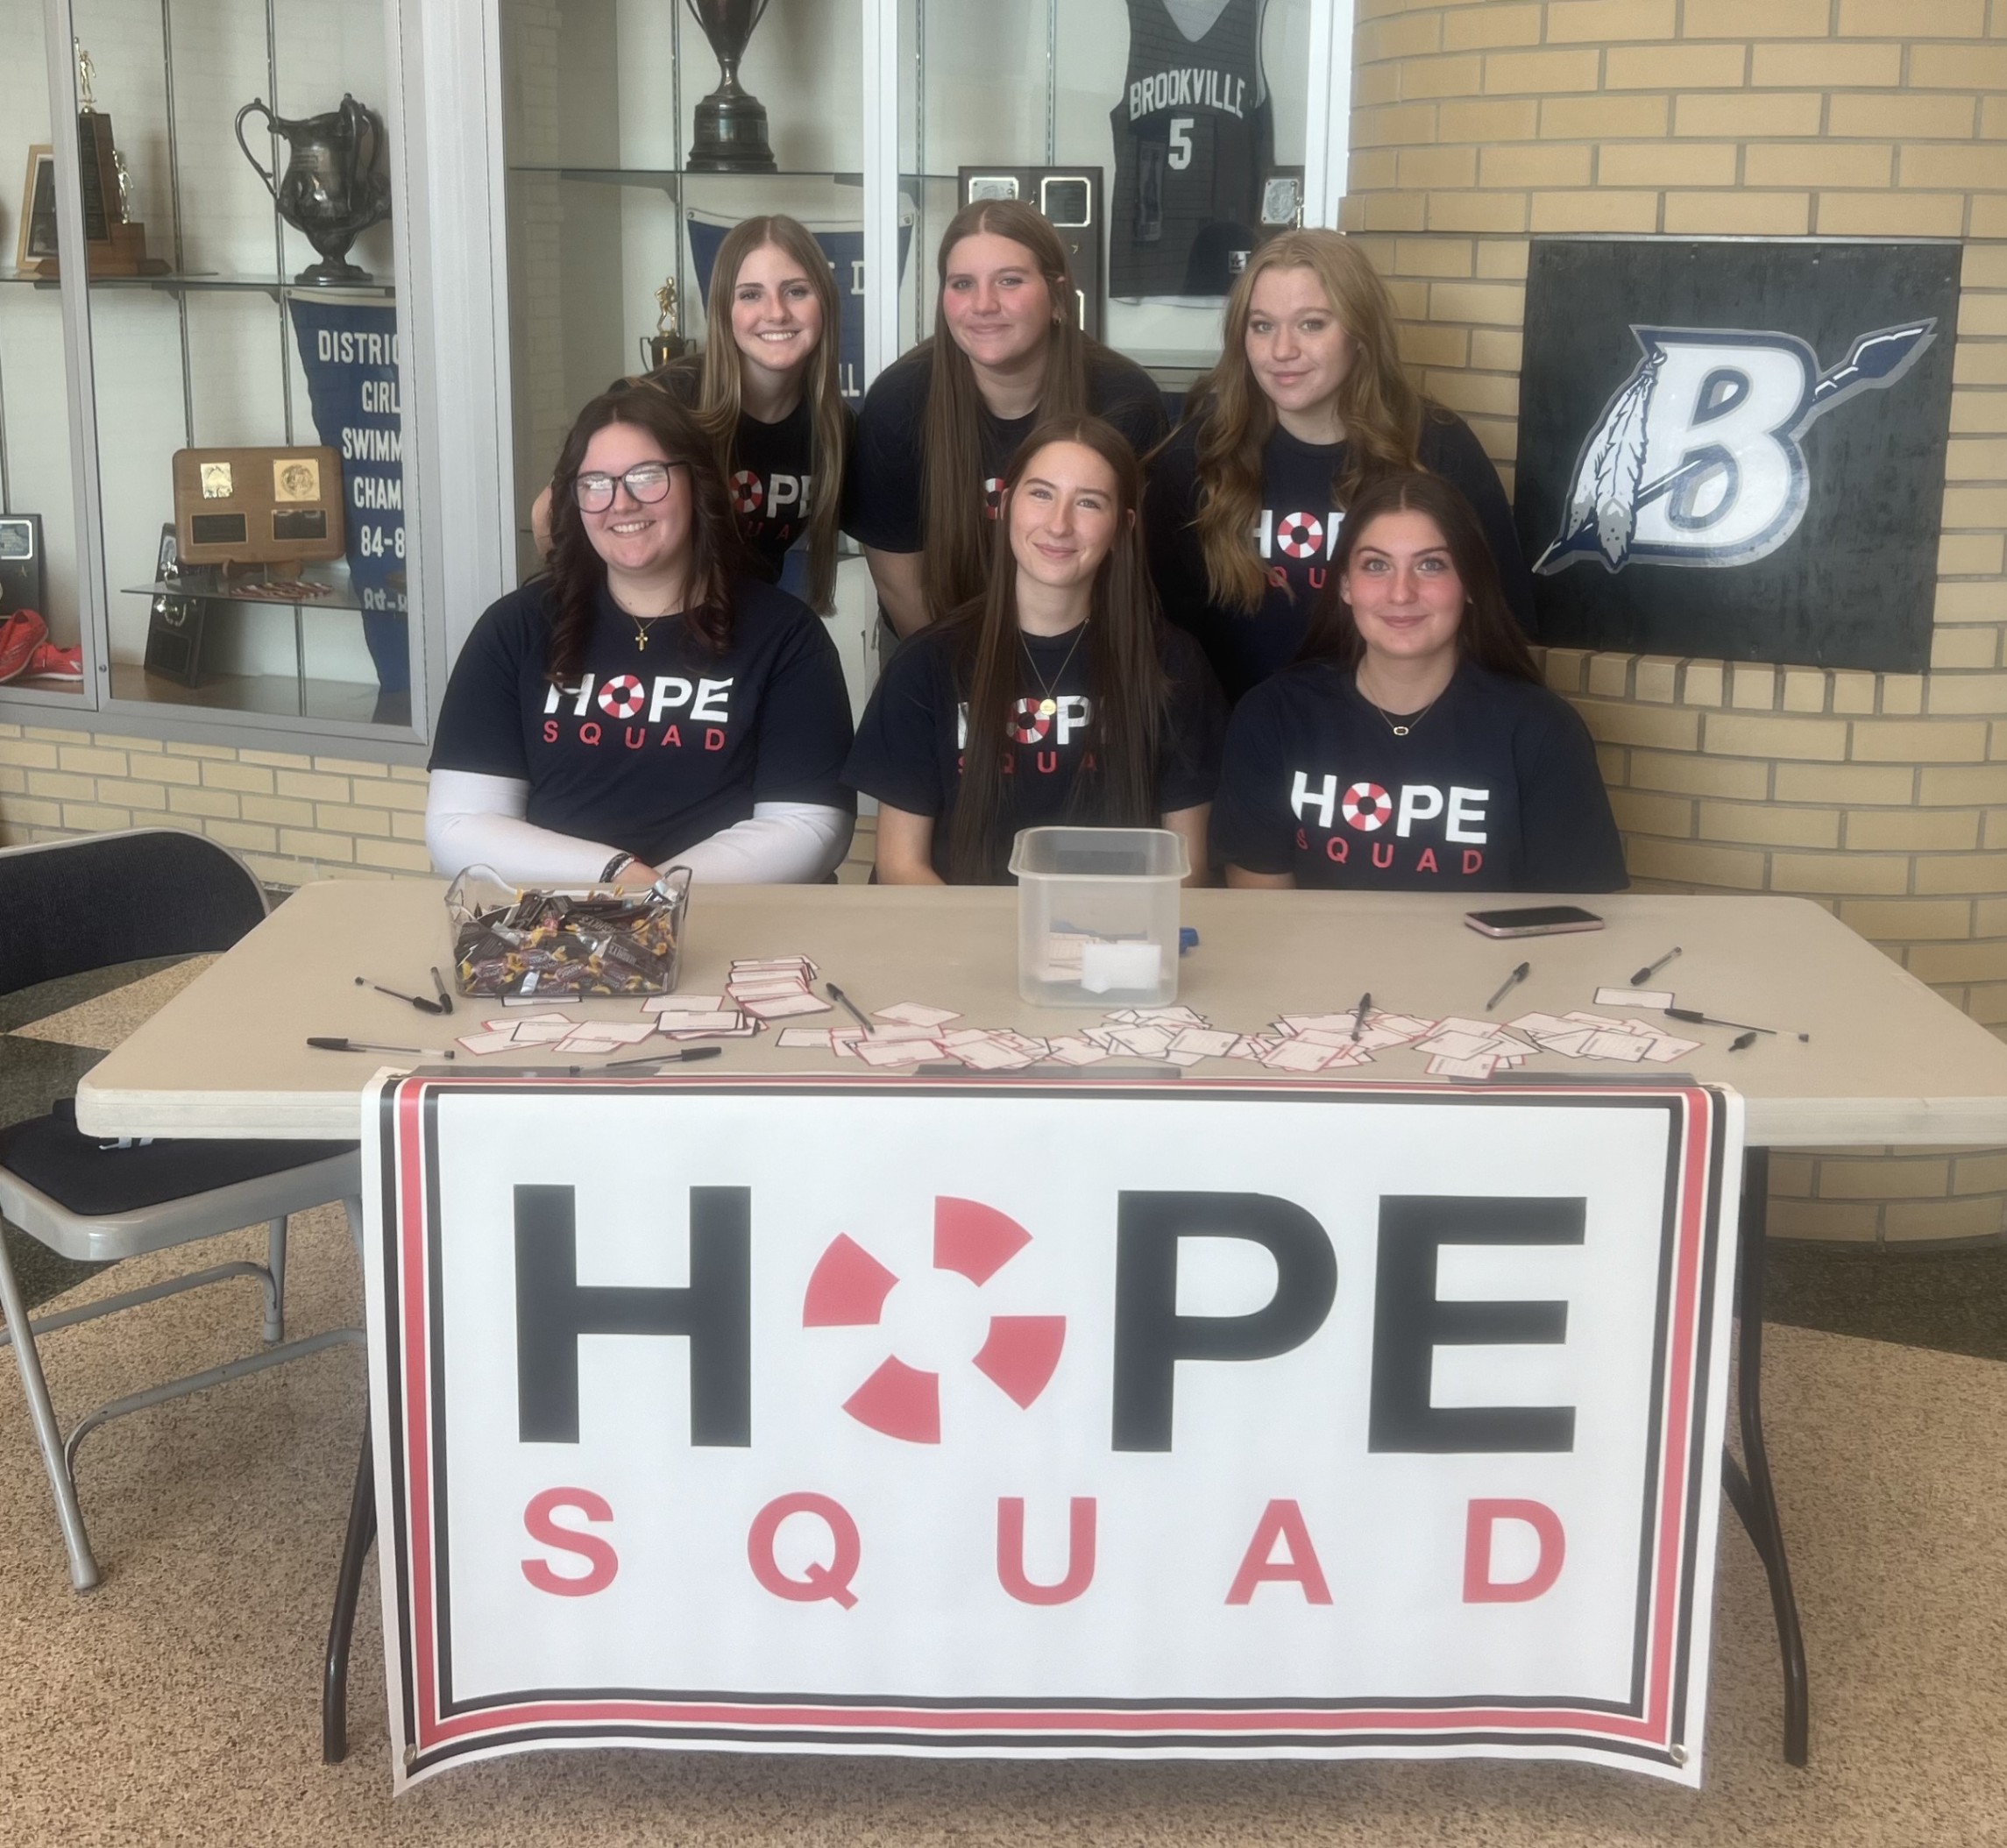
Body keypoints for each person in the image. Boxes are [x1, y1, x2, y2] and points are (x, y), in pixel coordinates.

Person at [429, 383, 855, 887]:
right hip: (560, 934)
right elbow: (459, 826)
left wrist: (659, 896)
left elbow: (811, 825)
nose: (622, 503)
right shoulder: (515, 629)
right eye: (595, 483)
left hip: (734, 929)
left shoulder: (784, 636)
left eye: (647, 477)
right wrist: (615, 877)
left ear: (697, 483)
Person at [1145, 229, 1535, 705]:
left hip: (1397, 747)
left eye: (1311, 324)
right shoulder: (1199, 455)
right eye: (1262, 325)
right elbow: (1161, 634)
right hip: (1244, 743)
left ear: (1360, 333)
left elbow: (1502, 621)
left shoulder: (1436, 450)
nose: (1282, 350)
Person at [846, 416, 1225, 886]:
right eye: (1041, 494)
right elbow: (902, 867)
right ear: (1006, 506)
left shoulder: (1174, 665)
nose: (1059, 524)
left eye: (1088, 502)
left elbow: (1185, 871)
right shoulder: (928, 664)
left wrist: (1109, 952)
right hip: (961, 943)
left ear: (1123, 528)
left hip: (1119, 943)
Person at [1210, 470, 1624, 894]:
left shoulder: (1544, 732)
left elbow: (1571, 929)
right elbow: (1264, 917)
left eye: (1431, 565)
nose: (1401, 593)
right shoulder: (1273, 717)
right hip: (1313, 960)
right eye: (1376, 565)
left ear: (1470, 584)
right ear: (1346, 585)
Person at [849, 199, 1171, 639]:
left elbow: (1137, 574)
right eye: (962, 283)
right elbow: (900, 584)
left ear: (1057, 297)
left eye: (1010, 281)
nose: (983, 304)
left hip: (1091, 646)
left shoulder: (1124, 402)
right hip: (932, 641)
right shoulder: (899, 403)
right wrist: (953, 685)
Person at [531, 215, 852, 610]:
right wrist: (607, 621)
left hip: (743, 627)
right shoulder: (663, 401)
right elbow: (547, 516)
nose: (776, 312)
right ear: (723, 309)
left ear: (827, 303)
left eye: (797, 291)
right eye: (751, 294)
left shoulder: (836, 427)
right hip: (650, 630)